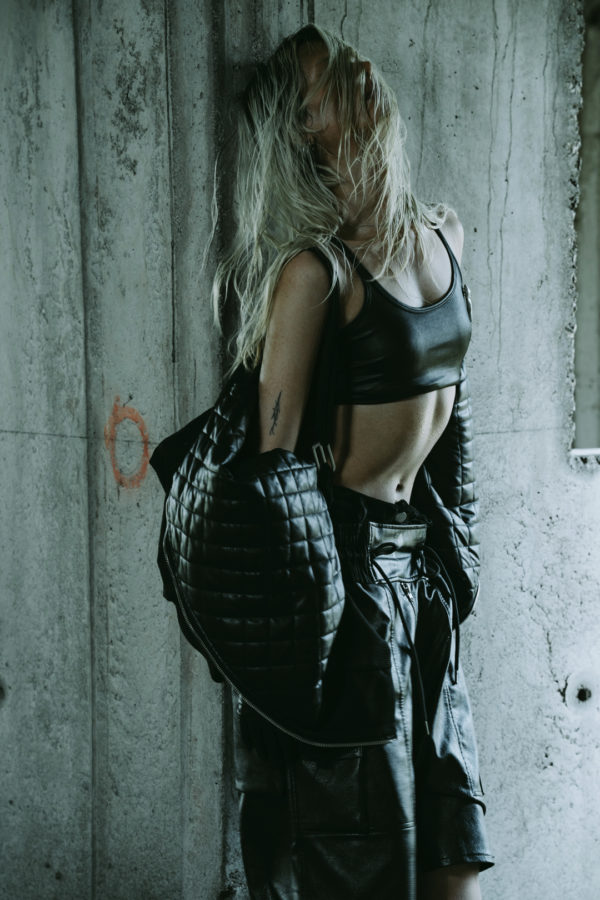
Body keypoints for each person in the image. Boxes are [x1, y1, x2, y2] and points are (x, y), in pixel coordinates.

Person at [210, 23, 495, 900]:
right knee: (367, 865)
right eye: (324, 79)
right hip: (353, 595)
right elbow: (272, 477)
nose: (355, 69)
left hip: (426, 585)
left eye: (341, 56)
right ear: (306, 133)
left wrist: (460, 550)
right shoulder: (315, 274)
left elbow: (456, 423)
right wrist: (319, 636)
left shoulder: (443, 234)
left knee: (454, 853)